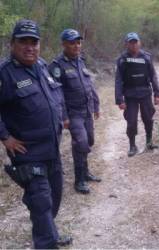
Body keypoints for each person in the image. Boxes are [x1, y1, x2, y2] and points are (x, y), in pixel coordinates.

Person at [0, 19, 71, 249]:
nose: (29, 47)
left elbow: (55, 98)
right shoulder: (5, 74)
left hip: (52, 151)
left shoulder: (41, 66)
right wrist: (5, 137)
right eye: (23, 42)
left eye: (34, 42)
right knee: (41, 203)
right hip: (29, 155)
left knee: (55, 197)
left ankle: (49, 229)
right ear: (12, 44)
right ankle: (46, 241)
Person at [49, 29, 101, 195]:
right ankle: (79, 180)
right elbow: (56, 94)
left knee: (89, 141)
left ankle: (85, 171)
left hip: (87, 110)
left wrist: (96, 105)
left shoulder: (81, 61)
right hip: (73, 113)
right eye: (72, 42)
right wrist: (63, 116)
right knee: (81, 142)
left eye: (78, 42)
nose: (76, 46)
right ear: (64, 44)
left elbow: (89, 85)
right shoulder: (57, 66)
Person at [115, 32, 159, 157]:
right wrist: (119, 99)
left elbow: (153, 76)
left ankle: (149, 142)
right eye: (131, 43)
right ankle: (132, 146)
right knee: (131, 121)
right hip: (130, 95)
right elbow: (118, 80)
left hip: (145, 93)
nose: (134, 45)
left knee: (148, 118)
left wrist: (157, 94)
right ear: (127, 44)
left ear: (139, 43)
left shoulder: (146, 57)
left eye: (135, 42)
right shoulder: (122, 60)